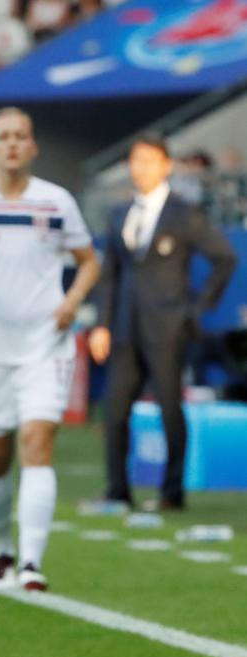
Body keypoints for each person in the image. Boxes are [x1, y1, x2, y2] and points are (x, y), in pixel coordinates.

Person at [0, 107, 99, 591]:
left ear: (32, 146)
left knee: (38, 444)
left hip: (45, 344)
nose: (11, 144)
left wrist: (71, 302)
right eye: (2, 136)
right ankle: (2, 550)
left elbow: (89, 262)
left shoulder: (57, 201)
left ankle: (31, 563)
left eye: (19, 136)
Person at [88, 135, 236, 512]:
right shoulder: (121, 213)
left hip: (168, 327)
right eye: (136, 161)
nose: (142, 168)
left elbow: (225, 258)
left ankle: (172, 493)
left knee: (170, 407)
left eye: (150, 161)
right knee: (116, 408)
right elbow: (110, 273)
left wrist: (196, 309)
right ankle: (117, 489)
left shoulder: (184, 212)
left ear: (166, 166)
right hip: (124, 327)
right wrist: (102, 323)